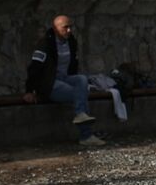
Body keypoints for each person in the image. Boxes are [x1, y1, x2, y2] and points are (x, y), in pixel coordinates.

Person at [23, 15, 105, 146]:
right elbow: (34, 67)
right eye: (65, 27)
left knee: (82, 80)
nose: (69, 30)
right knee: (80, 94)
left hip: (65, 78)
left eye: (70, 27)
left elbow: (74, 64)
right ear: (55, 29)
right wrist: (29, 90)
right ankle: (86, 135)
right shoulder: (45, 44)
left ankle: (82, 117)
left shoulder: (71, 41)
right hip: (49, 83)